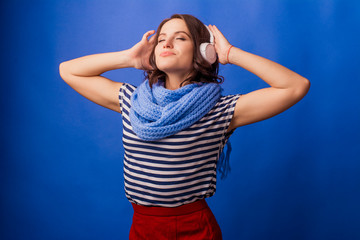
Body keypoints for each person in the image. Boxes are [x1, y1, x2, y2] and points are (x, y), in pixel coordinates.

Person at [59, 14, 310, 240]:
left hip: (194, 229)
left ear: (203, 52)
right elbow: (68, 70)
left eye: (180, 38)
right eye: (161, 40)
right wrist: (129, 58)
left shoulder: (219, 110)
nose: (166, 44)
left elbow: (295, 86)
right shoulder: (131, 100)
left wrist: (230, 53)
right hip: (143, 227)